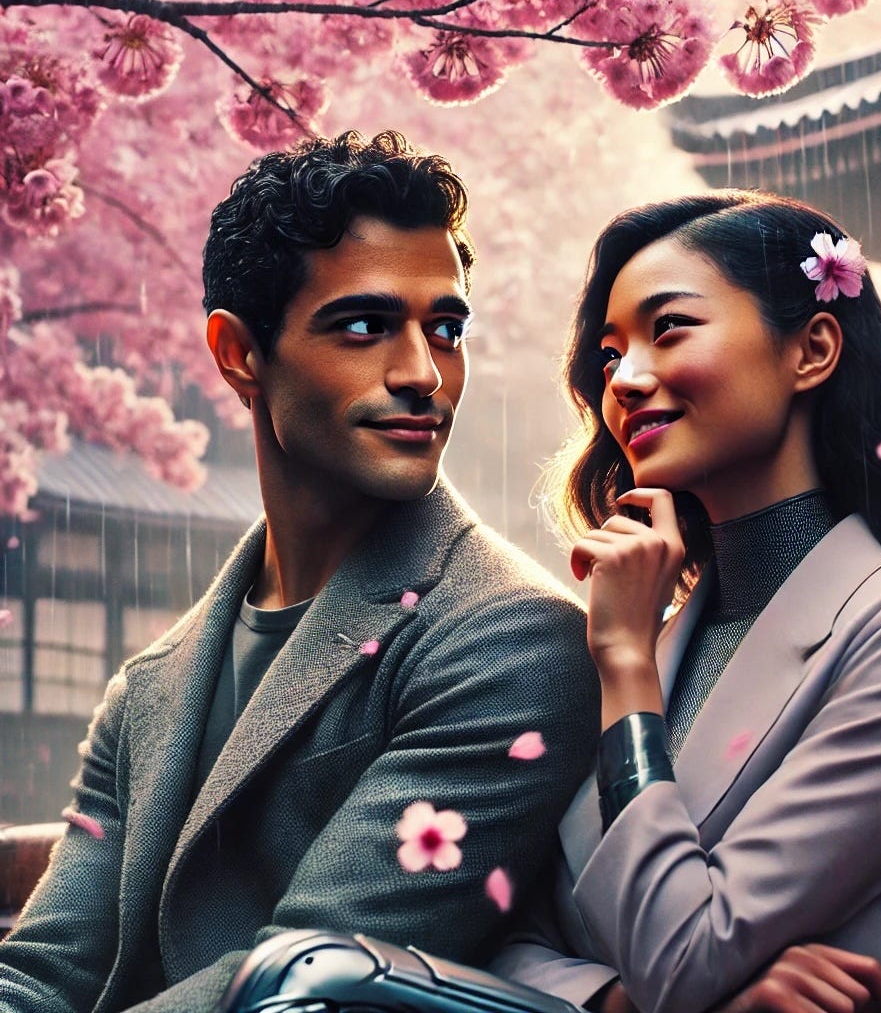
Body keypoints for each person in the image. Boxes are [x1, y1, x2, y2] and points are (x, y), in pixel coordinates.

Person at [0, 130, 603, 1013]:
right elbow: (44, 972)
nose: (423, 374)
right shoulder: (152, 686)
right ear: (239, 353)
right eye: (364, 326)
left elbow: (305, 983)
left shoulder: (515, 643)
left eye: (446, 329)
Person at [490, 191, 881, 1013]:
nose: (626, 380)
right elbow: (509, 946)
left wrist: (623, 664)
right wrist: (621, 1003)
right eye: (610, 356)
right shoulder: (655, 645)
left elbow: (685, 959)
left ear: (812, 349)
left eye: (670, 328)